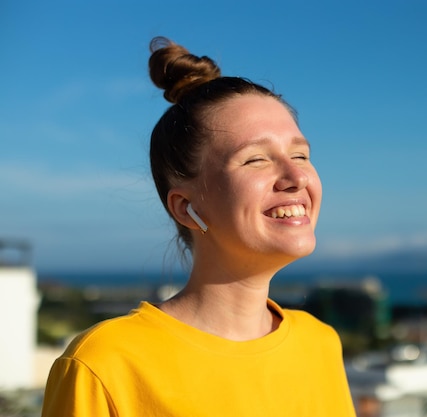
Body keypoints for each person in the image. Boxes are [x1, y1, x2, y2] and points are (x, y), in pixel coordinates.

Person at [41, 37, 356, 416]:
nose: (295, 177)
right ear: (186, 208)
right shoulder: (105, 365)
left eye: (300, 154)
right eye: (255, 159)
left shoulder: (320, 343)